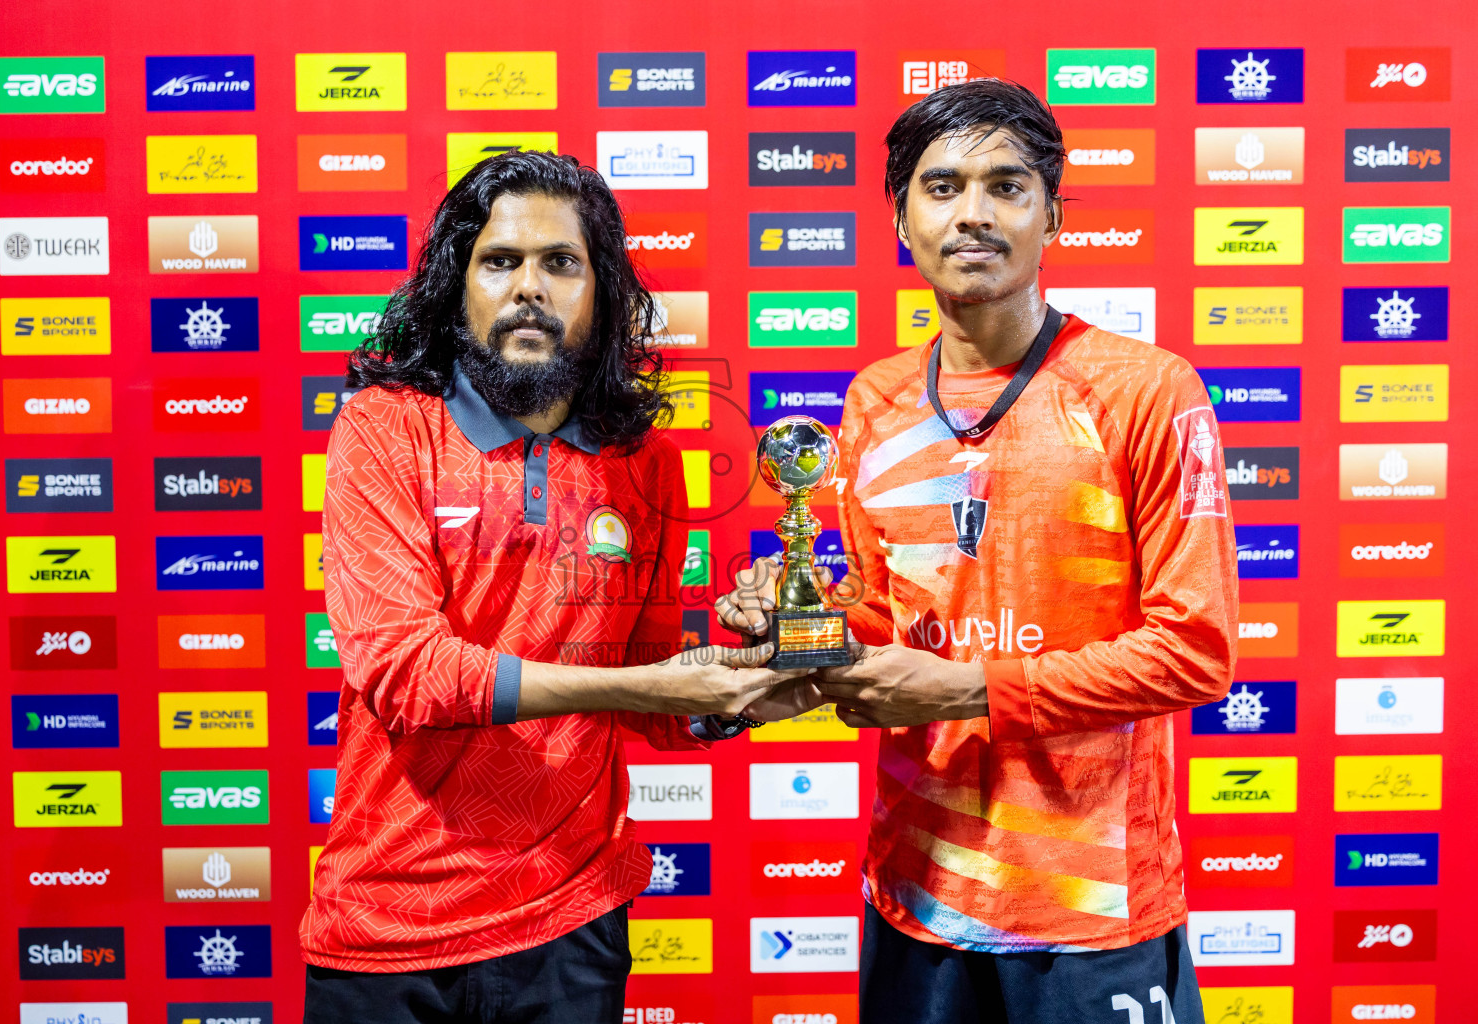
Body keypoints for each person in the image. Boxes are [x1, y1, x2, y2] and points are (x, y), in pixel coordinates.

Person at [717, 80, 1238, 1023]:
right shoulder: (874, 398)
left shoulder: (1146, 390)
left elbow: (1195, 648)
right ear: (900, 219)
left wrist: (969, 690)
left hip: (1089, 910)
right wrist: (803, 624)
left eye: (1007, 187)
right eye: (943, 186)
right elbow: (893, 617)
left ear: (1052, 214)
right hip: (917, 898)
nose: (974, 214)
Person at [301, 150, 819, 1023]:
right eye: (500, 261)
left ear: (601, 292)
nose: (528, 287)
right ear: (455, 284)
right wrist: (644, 684)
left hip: (570, 918)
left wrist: (740, 693)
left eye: (560, 263)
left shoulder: (648, 463)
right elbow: (404, 671)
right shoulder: (386, 429)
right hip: (387, 917)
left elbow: (652, 692)